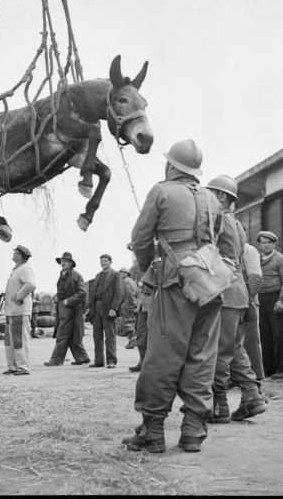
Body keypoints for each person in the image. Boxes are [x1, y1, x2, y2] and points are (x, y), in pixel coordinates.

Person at [124, 139, 224, 454]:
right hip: (210, 281)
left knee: (163, 356)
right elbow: (214, 238)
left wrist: (147, 268)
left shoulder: (161, 191)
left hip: (174, 281)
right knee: (202, 357)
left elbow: (140, 238)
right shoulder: (213, 199)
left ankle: (153, 432)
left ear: (171, 166)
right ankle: (193, 431)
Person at [207, 175, 265, 424]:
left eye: (211, 193)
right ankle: (252, 396)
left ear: (222, 197)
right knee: (235, 348)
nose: (207, 197)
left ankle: (219, 404)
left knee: (219, 350)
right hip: (239, 294)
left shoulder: (217, 219)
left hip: (224, 294)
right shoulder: (238, 224)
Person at [256, 231, 283, 380]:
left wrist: (281, 300)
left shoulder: (281, 260)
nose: (266, 245)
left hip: (276, 298)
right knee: (264, 335)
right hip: (260, 298)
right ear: (259, 244)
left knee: (280, 335)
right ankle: (268, 368)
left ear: (274, 244)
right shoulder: (256, 259)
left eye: (269, 243)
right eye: (263, 242)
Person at [44, 252, 91, 366]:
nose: (63, 263)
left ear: (71, 263)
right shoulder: (62, 274)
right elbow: (63, 291)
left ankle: (56, 360)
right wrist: (57, 296)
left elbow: (82, 292)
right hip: (62, 309)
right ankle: (82, 358)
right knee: (70, 335)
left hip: (72, 310)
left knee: (62, 334)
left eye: (66, 261)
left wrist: (68, 301)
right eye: (62, 261)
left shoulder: (76, 276)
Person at [2, 245, 36, 376]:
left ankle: (23, 367)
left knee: (20, 339)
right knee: (10, 341)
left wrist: (18, 296)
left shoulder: (25, 269)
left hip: (20, 310)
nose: (13, 254)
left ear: (20, 256)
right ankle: (13, 366)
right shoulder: (18, 269)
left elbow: (31, 285)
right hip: (12, 311)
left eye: (15, 253)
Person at [87, 254, 123, 368]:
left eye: (105, 261)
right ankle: (99, 361)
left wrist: (114, 308)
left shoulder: (115, 274)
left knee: (110, 336)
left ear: (110, 262)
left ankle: (112, 361)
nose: (103, 263)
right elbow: (92, 293)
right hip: (96, 307)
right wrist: (90, 308)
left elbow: (119, 293)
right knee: (97, 336)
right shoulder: (98, 275)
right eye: (101, 261)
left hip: (108, 308)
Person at [238, 241, 264, 381]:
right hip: (232, 303)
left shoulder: (248, 250)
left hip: (247, 302)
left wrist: (246, 301)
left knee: (250, 341)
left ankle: (255, 376)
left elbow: (256, 279)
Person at [117, 267, 138, 348]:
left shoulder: (125, 281)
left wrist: (131, 304)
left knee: (127, 322)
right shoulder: (131, 281)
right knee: (132, 322)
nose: (120, 274)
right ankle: (132, 340)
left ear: (126, 273)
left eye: (121, 272)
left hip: (128, 303)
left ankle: (133, 340)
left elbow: (129, 293)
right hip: (132, 302)